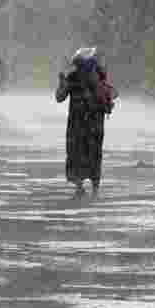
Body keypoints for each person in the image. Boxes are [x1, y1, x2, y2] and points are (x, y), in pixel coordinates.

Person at [55, 47, 113, 199]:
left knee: (78, 153)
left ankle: (82, 188)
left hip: (80, 124)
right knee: (92, 155)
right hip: (93, 126)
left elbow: (59, 97)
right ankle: (92, 190)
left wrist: (62, 84)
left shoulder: (74, 77)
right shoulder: (98, 77)